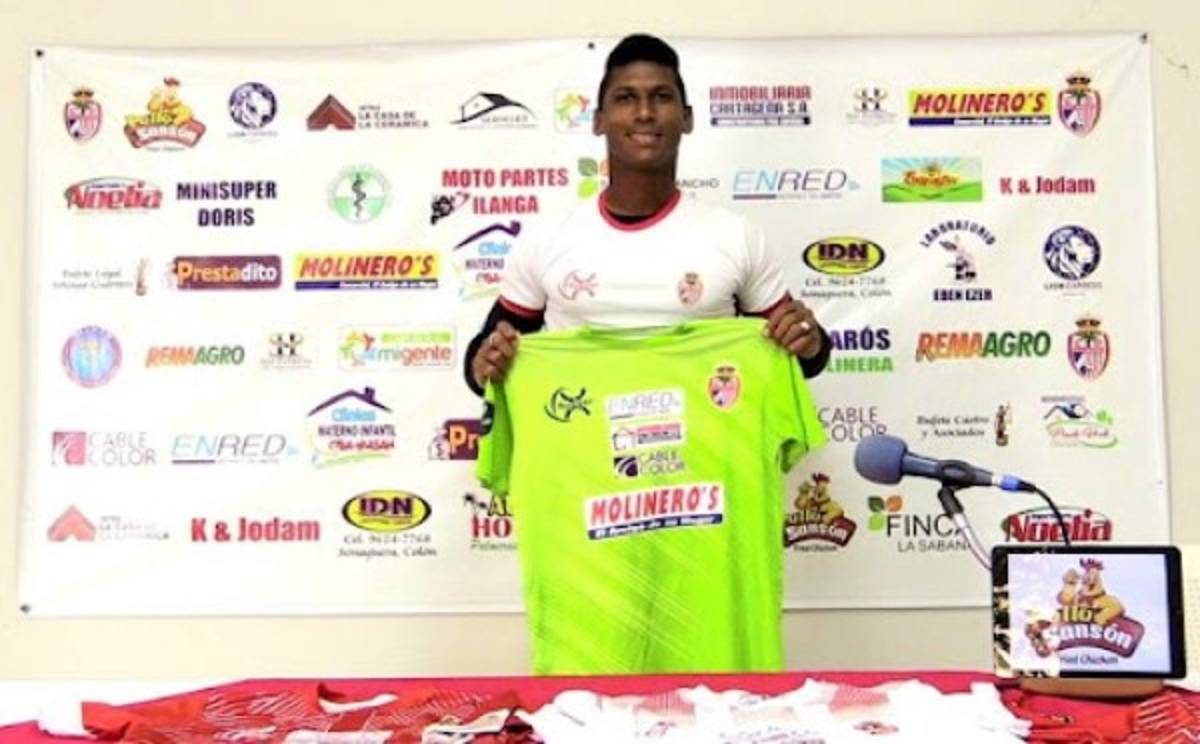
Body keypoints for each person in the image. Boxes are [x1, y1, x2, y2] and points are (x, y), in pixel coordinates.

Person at [464, 33, 830, 394]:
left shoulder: (735, 236)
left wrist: (808, 340)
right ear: (599, 120)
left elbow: (806, 358)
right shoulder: (548, 238)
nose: (644, 113)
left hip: (704, 434)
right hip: (579, 430)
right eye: (626, 98)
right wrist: (485, 363)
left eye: (661, 97)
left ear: (686, 118)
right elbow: (482, 360)